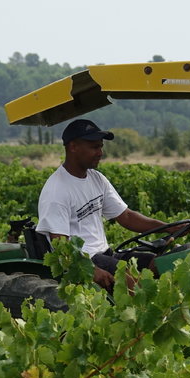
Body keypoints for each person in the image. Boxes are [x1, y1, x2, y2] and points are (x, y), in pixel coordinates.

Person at [37, 118, 173, 288]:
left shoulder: (96, 178)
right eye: (94, 147)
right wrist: (91, 270)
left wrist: (168, 227)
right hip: (87, 260)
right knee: (136, 285)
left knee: (159, 264)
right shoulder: (56, 190)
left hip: (107, 255)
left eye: (101, 147)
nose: (100, 152)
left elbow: (127, 216)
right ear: (73, 147)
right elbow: (60, 245)